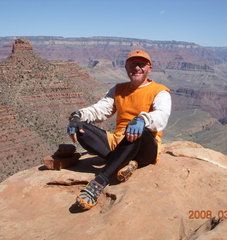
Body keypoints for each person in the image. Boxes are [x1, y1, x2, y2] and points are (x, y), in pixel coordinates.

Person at [67, 49, 171, 210]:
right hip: (117, 142)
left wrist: (142, 119)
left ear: (149, 68)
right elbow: (100, 110)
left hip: (145, 147)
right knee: (81, 129)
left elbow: (162, 117)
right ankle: (124, 163)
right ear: (126, 67)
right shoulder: (118, 89)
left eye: (141, 64)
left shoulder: (160, 91)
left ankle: (100, 181)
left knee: (137, 129)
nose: (136, 68)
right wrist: (77, 116)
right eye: (133, 64)